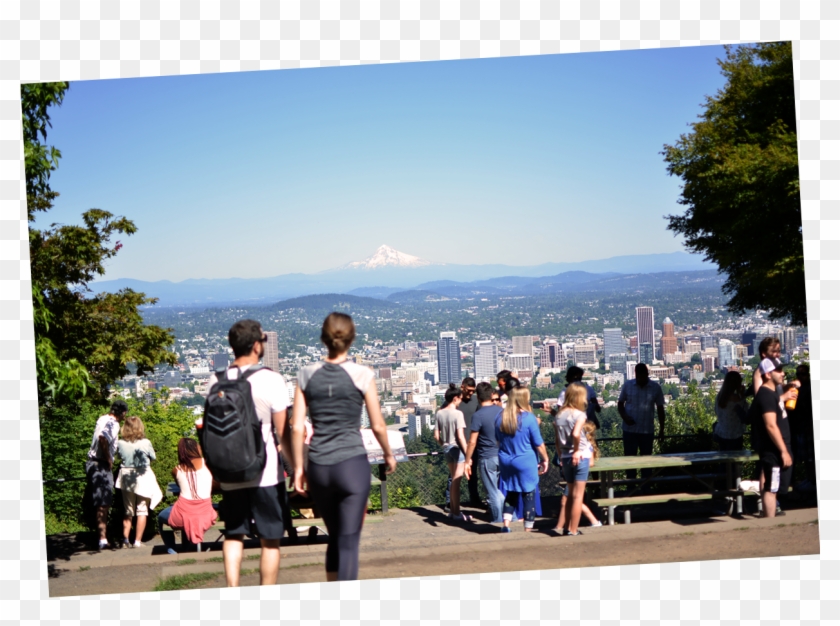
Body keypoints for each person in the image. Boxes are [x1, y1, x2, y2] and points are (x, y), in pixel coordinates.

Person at [292, 312, 396, 582]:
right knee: (349, 540)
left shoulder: (305, 374)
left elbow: (296, 427)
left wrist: (298, 469)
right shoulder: (362, 374)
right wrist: (387, 454)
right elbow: (378, 425)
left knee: (335, 536)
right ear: (352, 339)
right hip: (351, 463)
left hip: (319, 465)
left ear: (323, 338)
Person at [211, 319, 289, 587]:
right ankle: (265, 595)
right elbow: (283, 431)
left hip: (230, 470)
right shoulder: (271, 379)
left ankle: (233, 589)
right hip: (265, 471)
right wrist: (296, 465)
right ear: (256, 346)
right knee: (270, 539)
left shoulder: (217, 380)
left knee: (234, 533)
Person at [495, 387, 549, 532]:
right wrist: (545, 459)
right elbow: (538, 443)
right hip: (525, 460)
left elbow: (498, 441)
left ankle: (506, 525)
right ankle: (528, 528)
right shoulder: (529, 418)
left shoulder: (500, 417)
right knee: (528, 494)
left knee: (511, 492)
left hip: (506, 460)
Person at [748, 358, 793, 518]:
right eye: (778, 370)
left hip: (777, 451)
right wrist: (783, 451)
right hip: (773, 452)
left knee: (775, 488)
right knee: (771, 488)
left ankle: (771, 521)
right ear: (768, 374)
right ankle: (770, 523)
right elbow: (770, 425)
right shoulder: (766, 395)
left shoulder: (772, 394)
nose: (783, 373)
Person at [157, 438, 218, 555]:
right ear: (196, 448)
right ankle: (185, 548)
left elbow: (181, 487)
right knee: (187, 516)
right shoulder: (208, 465)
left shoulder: (176, 470)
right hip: (205, 516)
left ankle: (171, 550)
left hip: (183, 515)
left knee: (161, 517)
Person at [85, 400, 128, 550]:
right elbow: (103, 438)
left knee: (100, 502)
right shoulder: (113, 424)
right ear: (122, 413)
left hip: (93, 463)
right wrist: (109, 458)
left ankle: (102, 537)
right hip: (100, 464)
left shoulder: (102, 418)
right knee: (103, 503)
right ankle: (102, 539)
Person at [554, 384, 595, 536]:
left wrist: (560, 455)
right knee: (578, 496)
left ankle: (566, 527)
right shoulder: (580, 415)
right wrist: (577, 451)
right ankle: (573, 529)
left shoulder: (559, 415)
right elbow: (577, 434)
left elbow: (557, 440)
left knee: (570, 494)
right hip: (580, 456)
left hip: (565, 456)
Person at [116, 416, 162, 548]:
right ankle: (137, 541)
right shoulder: (146, 442)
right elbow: (153, 457)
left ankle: (125, 539)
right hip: (143, 475)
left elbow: (119, 457)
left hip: (126, 476)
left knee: (128, 510)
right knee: (142, 510)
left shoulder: (120, 442)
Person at [617, 363, 666, 482]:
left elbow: (660, 409)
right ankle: (631, 488)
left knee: (646, 463)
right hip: (630, 431)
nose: (640, 380)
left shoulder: (655, 387)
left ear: (647, 374)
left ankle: (645, 488)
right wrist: (624, 417)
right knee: (629, 462)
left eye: (642, 377)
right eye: (638, 377)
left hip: (646, 431)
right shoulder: (628, 385)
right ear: (635, 374)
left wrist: (661, 429)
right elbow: (620, 404)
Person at [464, 382, 505, 523]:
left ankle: (497, 521)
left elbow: (472, 441)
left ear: (478, 397)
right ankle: (506, 517)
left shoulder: (478, 415)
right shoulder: (501, 411)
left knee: (492, 492)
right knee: (499, 490)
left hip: (487, 456)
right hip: (503, 455)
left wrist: (467, 460)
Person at [434, 383, 473, 522]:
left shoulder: (439, 413)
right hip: (457, 449)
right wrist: (468, 454)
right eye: (460, 398)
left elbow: (436, 436)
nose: (461, 401)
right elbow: (461, 437)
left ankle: (453, 511)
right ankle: (456, 513)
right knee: (456, 482)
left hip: (446, 449)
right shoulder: (458, 414)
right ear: (456, 398)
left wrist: (443, 445)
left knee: (452, 481)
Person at [789, 363, 816, 493]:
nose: (800, 377)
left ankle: (812, 480)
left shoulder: (808, 389)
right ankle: (809, 478)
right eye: (798, 374)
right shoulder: (798, 389)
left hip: (807, 426)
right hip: (801, 426)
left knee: (810, 457)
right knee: (806, 457)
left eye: (803, 374)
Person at [458, 377, 483, 508]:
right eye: (469, 390)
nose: (470, 393)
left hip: (473, 443)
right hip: (458, 443)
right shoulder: (455, 400)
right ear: (462, 387)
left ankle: (475, 499)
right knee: (455, 474)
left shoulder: (476, 401)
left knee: (473, 474)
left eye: (473, 391)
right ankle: (450, 501)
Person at [713, 371, 749, 451]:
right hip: (735, 435)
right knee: (735, 460)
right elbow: (746, 415)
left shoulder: (720, 397)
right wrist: (742, 395)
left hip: (721, 433)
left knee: (724, 459)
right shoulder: (738, 400)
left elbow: (716, 412)